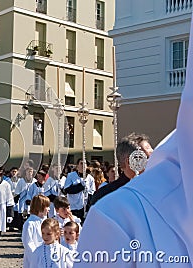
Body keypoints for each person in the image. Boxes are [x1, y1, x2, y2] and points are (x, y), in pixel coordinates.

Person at [74, 20, 193, 265]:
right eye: (143, 156)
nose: (151, 161)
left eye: (152, 154)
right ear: (128, 160)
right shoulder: (113, 207)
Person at [88, 133, 153, 208]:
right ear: (130, 162)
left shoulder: (158, 189)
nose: (154, 162)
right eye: (147, 158)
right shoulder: (104, 197)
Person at [21, 194, 50, 268]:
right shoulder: (30, 223)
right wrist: (36, 256)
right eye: (47, 206)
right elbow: (28, 242)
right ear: (40, 207)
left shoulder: (45, 221)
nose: (49, 209)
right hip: (34, 258)